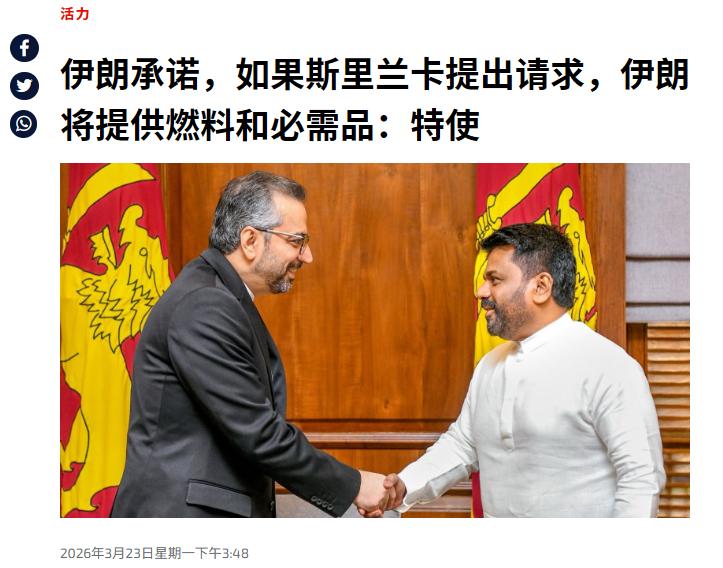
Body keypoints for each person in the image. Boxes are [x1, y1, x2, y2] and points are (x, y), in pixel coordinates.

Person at [111, 171, 391, 517]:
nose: (307, 256)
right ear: (250, 240)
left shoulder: (222, 296)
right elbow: (258, 433)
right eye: (297, 241)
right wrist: (355, 485)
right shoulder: (204, 305)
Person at [374, 223, 666, 518]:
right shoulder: (490, 365)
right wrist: (405, 487)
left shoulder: (610, 367)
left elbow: (641, 480)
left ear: (541, 287)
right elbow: (463, 445)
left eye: (495, 280)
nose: (481, 292)